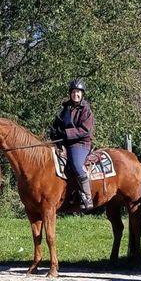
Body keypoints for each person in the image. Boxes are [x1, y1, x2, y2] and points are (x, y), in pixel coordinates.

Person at [50, 79, 95, 211]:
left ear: (82, 94)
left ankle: (87, 196)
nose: (76, 94)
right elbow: (58, 123)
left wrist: (66, 133)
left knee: (76, 164)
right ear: (70, 93)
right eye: (74, 92)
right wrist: (54, 131)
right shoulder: (65, 108)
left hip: (80, 144)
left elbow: (84, 130)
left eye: (78, 92)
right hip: (65, 142)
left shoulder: (86, 110)